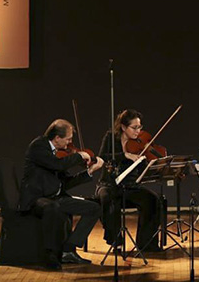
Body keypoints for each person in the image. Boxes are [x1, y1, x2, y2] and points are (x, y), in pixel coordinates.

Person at [18, 119, 105, 270]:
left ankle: (68, 250)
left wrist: (89, 172)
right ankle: (50, 255)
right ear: (57, 138)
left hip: (55, 196)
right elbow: (56, 165)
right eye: (68, 139)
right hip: (37, 198)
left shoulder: (57, 154)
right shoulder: (39, 146)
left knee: (94, 208)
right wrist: (80, 156)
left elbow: (66, 183)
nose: (70, 143)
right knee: (53, 207)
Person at [94, 109, 162, 252]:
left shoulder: (140, 143)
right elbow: (102, 157)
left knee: (152, 199)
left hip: (130, 186)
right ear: (124, 127)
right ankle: (116, 241)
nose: (138, 131)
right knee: (107, 199)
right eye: (134, 127)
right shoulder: (111, 138)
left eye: (140, 127)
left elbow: (143, 166)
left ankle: (146, 244)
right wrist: (125, 155)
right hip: (108, 184)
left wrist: (151, 164)